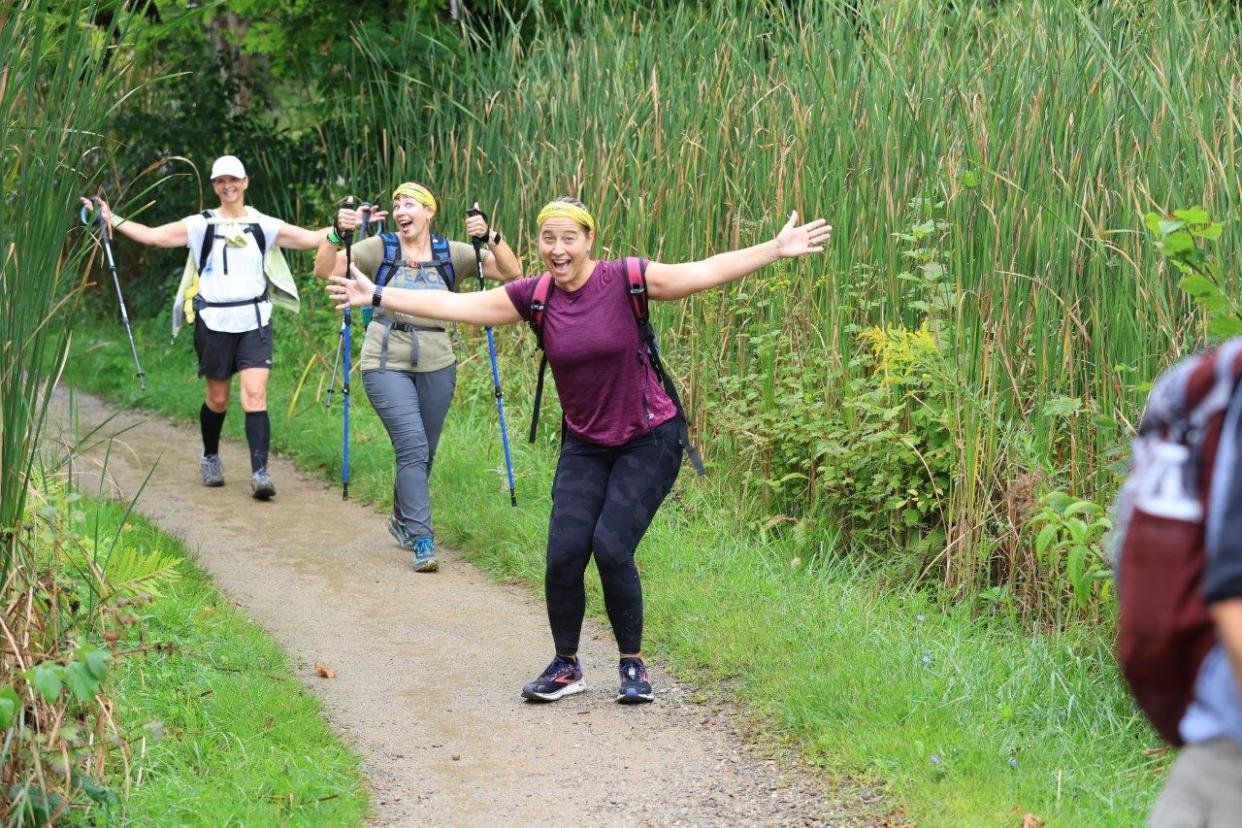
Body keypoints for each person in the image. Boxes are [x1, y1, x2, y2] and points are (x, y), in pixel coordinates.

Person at [328, 196, 831, 701]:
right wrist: (378, 297)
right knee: (565, 553)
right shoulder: (535, 295)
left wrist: (773, 248)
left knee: (611, 546)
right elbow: (457, 306)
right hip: (586, 442)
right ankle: (566, 665)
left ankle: (632, 666)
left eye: (569, 238)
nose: (558, 249)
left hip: (649, 437)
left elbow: (701, 272)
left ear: (590, 240)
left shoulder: (626, 279)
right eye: (549, 239)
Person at [82, 155, 331, 499]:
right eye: (220, 181)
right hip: (213, 321)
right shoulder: (201, 224)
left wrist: (346, 226)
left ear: (245, 182)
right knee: (217, 399)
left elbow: (310, 239)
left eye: (234, 179)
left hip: (255, 322)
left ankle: (260, 473)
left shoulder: (263, 224)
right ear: (215, 186)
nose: (228, 186)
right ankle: (210, 456)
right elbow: (155, 236)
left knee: (255, 395)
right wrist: (113, 218)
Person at [313, 184, 520, 572]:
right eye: (396, 206)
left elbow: (512, 271)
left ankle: (401, 519)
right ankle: (423, 538)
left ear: (428, 212)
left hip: (438, 361)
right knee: (411, 447)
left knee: (424, 451)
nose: (400, 211)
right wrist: (333, 233)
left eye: (409, 204)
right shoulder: (380, 248)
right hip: (384, 360)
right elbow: (324, 269)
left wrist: (489, 237)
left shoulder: (451, 253)